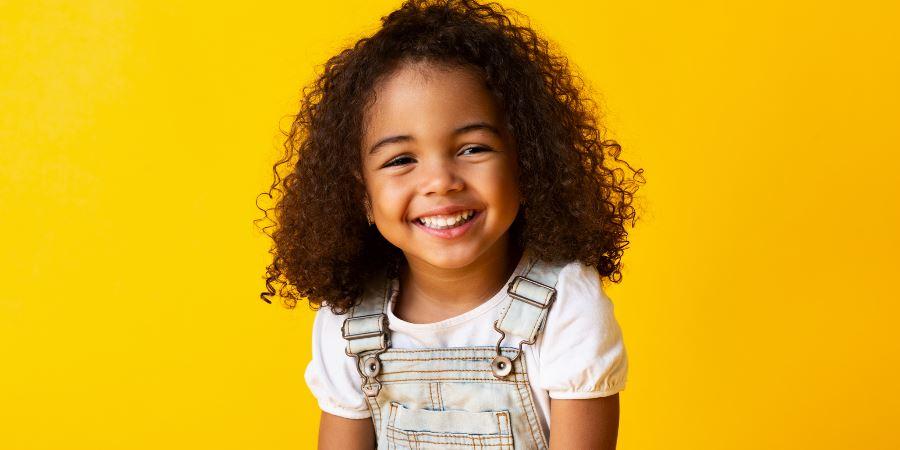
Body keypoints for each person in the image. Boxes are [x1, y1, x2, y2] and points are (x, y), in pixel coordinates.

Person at [257, 0, 645, 448]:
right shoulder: (348, 324)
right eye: (401, 159)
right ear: (360, 193)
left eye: (473, 148)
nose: (440, 182)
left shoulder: (566, 309)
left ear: (527, 160)